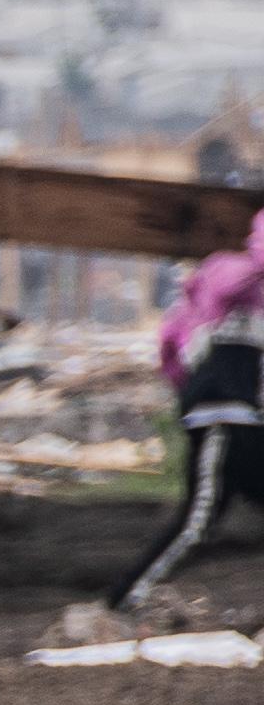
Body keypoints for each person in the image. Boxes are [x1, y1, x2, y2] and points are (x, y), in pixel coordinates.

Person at [125, 220, 264, 613]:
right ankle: (124, 597)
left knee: (202, 518)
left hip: (243, 418)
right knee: (196, 522)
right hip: (221, 417)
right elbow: (174, 351)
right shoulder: (225, 273)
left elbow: (170, 356)